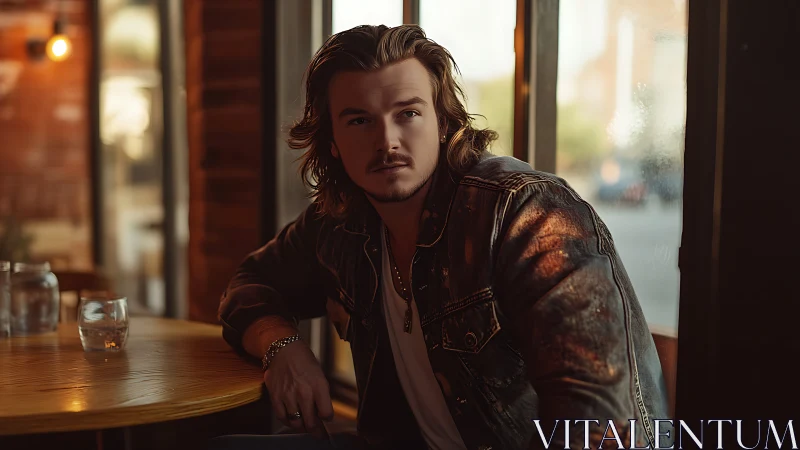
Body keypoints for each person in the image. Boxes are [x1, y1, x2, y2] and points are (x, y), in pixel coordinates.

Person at [212, 24, 671, 450]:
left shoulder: (524, 214)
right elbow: (249, 283)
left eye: (407, 113)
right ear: (332, 141)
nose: (387, 140)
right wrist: (282, 346)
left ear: (444, 122)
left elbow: (602, 423)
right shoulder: (342, 224)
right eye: (359, 121)